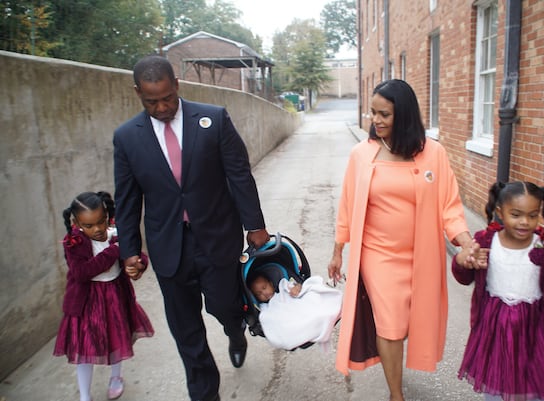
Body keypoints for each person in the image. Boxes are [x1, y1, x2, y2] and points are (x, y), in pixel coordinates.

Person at [113, 55, 270, 401]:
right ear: (138, 93)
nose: (162, 106)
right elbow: (126, 200)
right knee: (186, 328)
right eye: (151, 101)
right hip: (168, 246)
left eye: (167, 97)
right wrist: (129, 250)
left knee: (224, 305)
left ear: (177, 86)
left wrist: (255, 226)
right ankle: (204, 392)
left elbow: (239, 174)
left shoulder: (213, 119)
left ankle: (235, 330)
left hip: (217, 237)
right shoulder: (127, 138)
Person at [327, 79, 485, 401]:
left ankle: (396, 367)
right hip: (378, 255)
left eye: (384, 114)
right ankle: (395, 394)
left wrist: (465, 242)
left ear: (405, 115)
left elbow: (449, 206)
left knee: (414, 320)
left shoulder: (433, 154)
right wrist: (337, 251)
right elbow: (347, 206)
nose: (376, 120)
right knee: (390, 324)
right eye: (373, 113)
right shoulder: (362, 154)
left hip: (422, 255)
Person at [452, 181, 544, 401]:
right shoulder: (485, 241)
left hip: (537, 329)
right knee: (496, 382)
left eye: (532, 215)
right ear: (501, 212)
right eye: (516, 214)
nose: (525, 222)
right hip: (495, 327)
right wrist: (462, 260)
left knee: (536, 384)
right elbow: (465, 278)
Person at [53, 191, 154, 401]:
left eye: (101, 221)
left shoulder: (117, 234)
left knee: (117, 339)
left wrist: (139, 264)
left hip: (115, 298)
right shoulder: (73, 242)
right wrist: (113, 251)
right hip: (87, 304)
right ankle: (84, 395)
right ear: (76, 223)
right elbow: (81, 273)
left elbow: (138, 255)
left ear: (107, 215)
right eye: (89, 226)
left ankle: (116, 378)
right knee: (84, 349)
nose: (98, 229)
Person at [248, 272, 343, 350]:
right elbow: (267, 318)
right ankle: (302, 331)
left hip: (295, 305)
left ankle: (323, 316)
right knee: (290, 326)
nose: (264, 293)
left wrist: (296, 288)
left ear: (271, 284)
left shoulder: (283, 287)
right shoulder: (264, 307)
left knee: (313, 301)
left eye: (264, 288)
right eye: (259, 293)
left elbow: (297, 287)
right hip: (284, 316)